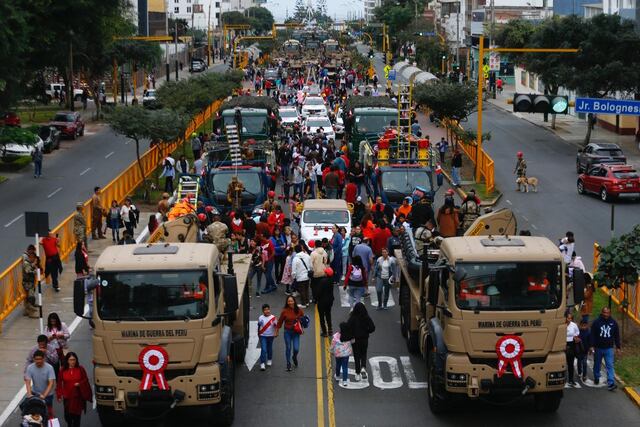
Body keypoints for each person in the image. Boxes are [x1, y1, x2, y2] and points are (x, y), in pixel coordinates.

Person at [56, 352, 92, 427]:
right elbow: (59, 383)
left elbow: (85, 380)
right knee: (67, 416)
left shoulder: (80, 369)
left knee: (76, 417)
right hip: (67, 397)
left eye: (74, 360)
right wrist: (59, 395)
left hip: (77, 397)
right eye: (70, 360)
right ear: (67, 361)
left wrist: (80, 384)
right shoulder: (63, 370)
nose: (72, 362)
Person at [590, 307, 621, 390]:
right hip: (598, 348)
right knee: (597, 364)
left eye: (607, 313)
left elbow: (617, 335)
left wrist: (618, 347)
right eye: (604, 312)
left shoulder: (613, 323)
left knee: (610, 365)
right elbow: (592, 334)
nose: (606, 314)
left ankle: (611, 383)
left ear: (610, 313)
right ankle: (596, 377)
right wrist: (591, 346)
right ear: (602, 312)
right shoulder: (596, 322)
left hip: (609, 348)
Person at [346, 302, 375, 382]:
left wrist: (351, 336)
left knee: (356, 355)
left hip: (355, 340)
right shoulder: (366, 317)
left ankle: (357, 373)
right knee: (363, 353)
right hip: (364, 339)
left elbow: (348, 328)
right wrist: (367, 331)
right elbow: (372, 327)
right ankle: (363, 367)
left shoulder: (352, 318)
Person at [24, 350, 56, 418]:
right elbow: (28, 382)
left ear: (43, 359)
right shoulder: (30, 368)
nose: (38, 361)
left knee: (49, 412)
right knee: (35, 414)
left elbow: (51, 383)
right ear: (33, 359)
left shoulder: (49, 368)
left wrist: (44, 395)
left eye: (40, 359)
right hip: (35, 393)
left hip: (48, 394)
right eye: (36, 359)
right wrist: (29, 394)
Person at [276, 295, 305, 372]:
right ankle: (288, 363)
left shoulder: (299, 310)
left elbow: (304, 319)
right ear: (287, 302)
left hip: (296, 332)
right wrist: (277, 331)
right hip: (287, 332)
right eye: (288, 301)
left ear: (294, 301)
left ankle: (294, 357)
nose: (290, 302)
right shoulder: (284, 311)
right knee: (288, 348)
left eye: (291, 301)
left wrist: (302, 324)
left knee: (296, 349)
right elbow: (280, 322)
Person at [330, 322, 353, 387]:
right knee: (345, 367)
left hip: (338, 354)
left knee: (338, 365)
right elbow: (353, 341)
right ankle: (345, 381)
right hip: (346, 354)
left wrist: (331, 351)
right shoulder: (349, 335)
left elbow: (333, 344)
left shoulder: (336, 335)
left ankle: (337, 376)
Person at [21, 245, 40, 318]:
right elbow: (28, 271)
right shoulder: (26, 262)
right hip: (27, 282)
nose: (34, 259)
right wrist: (35, 270)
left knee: (28, 296)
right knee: (30, 297)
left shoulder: (28, 262)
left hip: (30, 281)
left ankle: (26, 311)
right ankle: (31, 313)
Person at [257, 304, 277, 371]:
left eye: (268, 309)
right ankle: (262, 363)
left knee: (269, 348)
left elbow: (276, 326)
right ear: (263, 311)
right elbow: (259, 326)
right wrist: (258, 334)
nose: (267, 311)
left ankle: (269, 359)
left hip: (270, 336)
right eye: (265, 310)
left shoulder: (273, 318)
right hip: (263, 336)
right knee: (264, 349)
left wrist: (276, 333)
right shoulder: (260, 318)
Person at [316, 267, 335, 337]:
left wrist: (316, 299)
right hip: (329, 301)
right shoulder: (331, 280)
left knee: (321, 316)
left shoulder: (322, 281)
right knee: (328, 314)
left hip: (322, 301)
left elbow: (318, 292)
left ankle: (324, 332)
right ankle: (330, 330)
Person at [565, 313, 580, 386]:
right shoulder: (561, 324)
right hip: (562, 344)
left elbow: (577, 332)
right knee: (562, 363)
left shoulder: (574, 325)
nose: (569, 320)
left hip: (571, 344)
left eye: (570, 318)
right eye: (568, 318)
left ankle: (571, 379)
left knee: (570, 363)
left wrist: (575, 336)